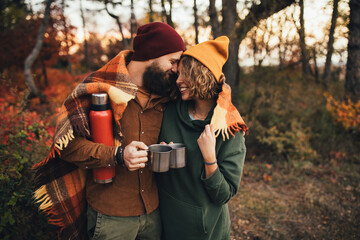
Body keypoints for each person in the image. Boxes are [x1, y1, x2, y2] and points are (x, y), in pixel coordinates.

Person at [33, 22, 185, 240]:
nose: (175, 69)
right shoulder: (98, 90)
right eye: (172, 61)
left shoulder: (166, 94)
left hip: (153, 213)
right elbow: (67, 147)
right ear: (152, 55)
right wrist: (118, 155)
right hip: (112, 218)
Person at [156, 36, 248, 240]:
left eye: (185, 74)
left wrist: (209, 158)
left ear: (202, 75)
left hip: (203, 231)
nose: (178, 80)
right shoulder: (170, 110)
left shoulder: (229, 128)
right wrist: (160, 150)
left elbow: (224, 195)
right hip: (163, 222)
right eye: (178, 73)